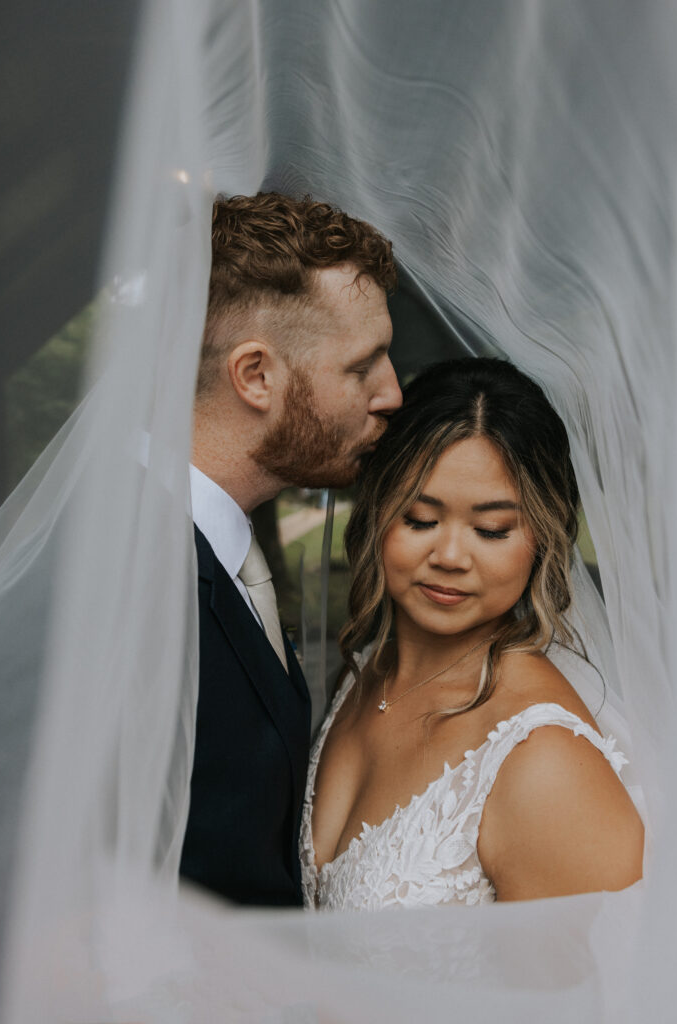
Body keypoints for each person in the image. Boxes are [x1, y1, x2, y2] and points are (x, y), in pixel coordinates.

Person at [300, 357, 644, 909]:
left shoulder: (545, 760)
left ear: (542, 537)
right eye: (419, 519)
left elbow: (586, 993)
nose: (451, 556)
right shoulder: (367, 671)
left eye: (490, 530)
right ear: (377, 513)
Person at [181, 192, 403, 905]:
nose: (392, 393)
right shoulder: (129, 581)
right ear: (255, 377)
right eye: (361, 366)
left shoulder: (226, 553)